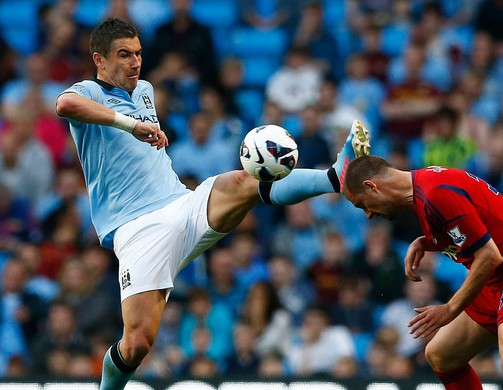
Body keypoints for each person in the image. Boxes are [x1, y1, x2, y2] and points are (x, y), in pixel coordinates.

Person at [54, 18, 370, 390]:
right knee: (138, 343)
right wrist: (129, 125)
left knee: (242, 182)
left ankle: (336, 176)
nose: (135, 62)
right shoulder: (89, 90)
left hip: (181, 204)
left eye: (138, 54)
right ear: (100, 59)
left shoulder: (145, 91)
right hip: (137, 228)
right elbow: (64, 104)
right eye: (124, 55)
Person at [342, 155, 503, 389]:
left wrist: (450, 308)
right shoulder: (425, 185)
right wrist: (429, 241)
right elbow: (473, 226)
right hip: (498, 277)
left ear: (372, 186)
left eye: (362, 204)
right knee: (442, 354)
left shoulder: (435, 194)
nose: (368, 214)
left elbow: (490, 255)